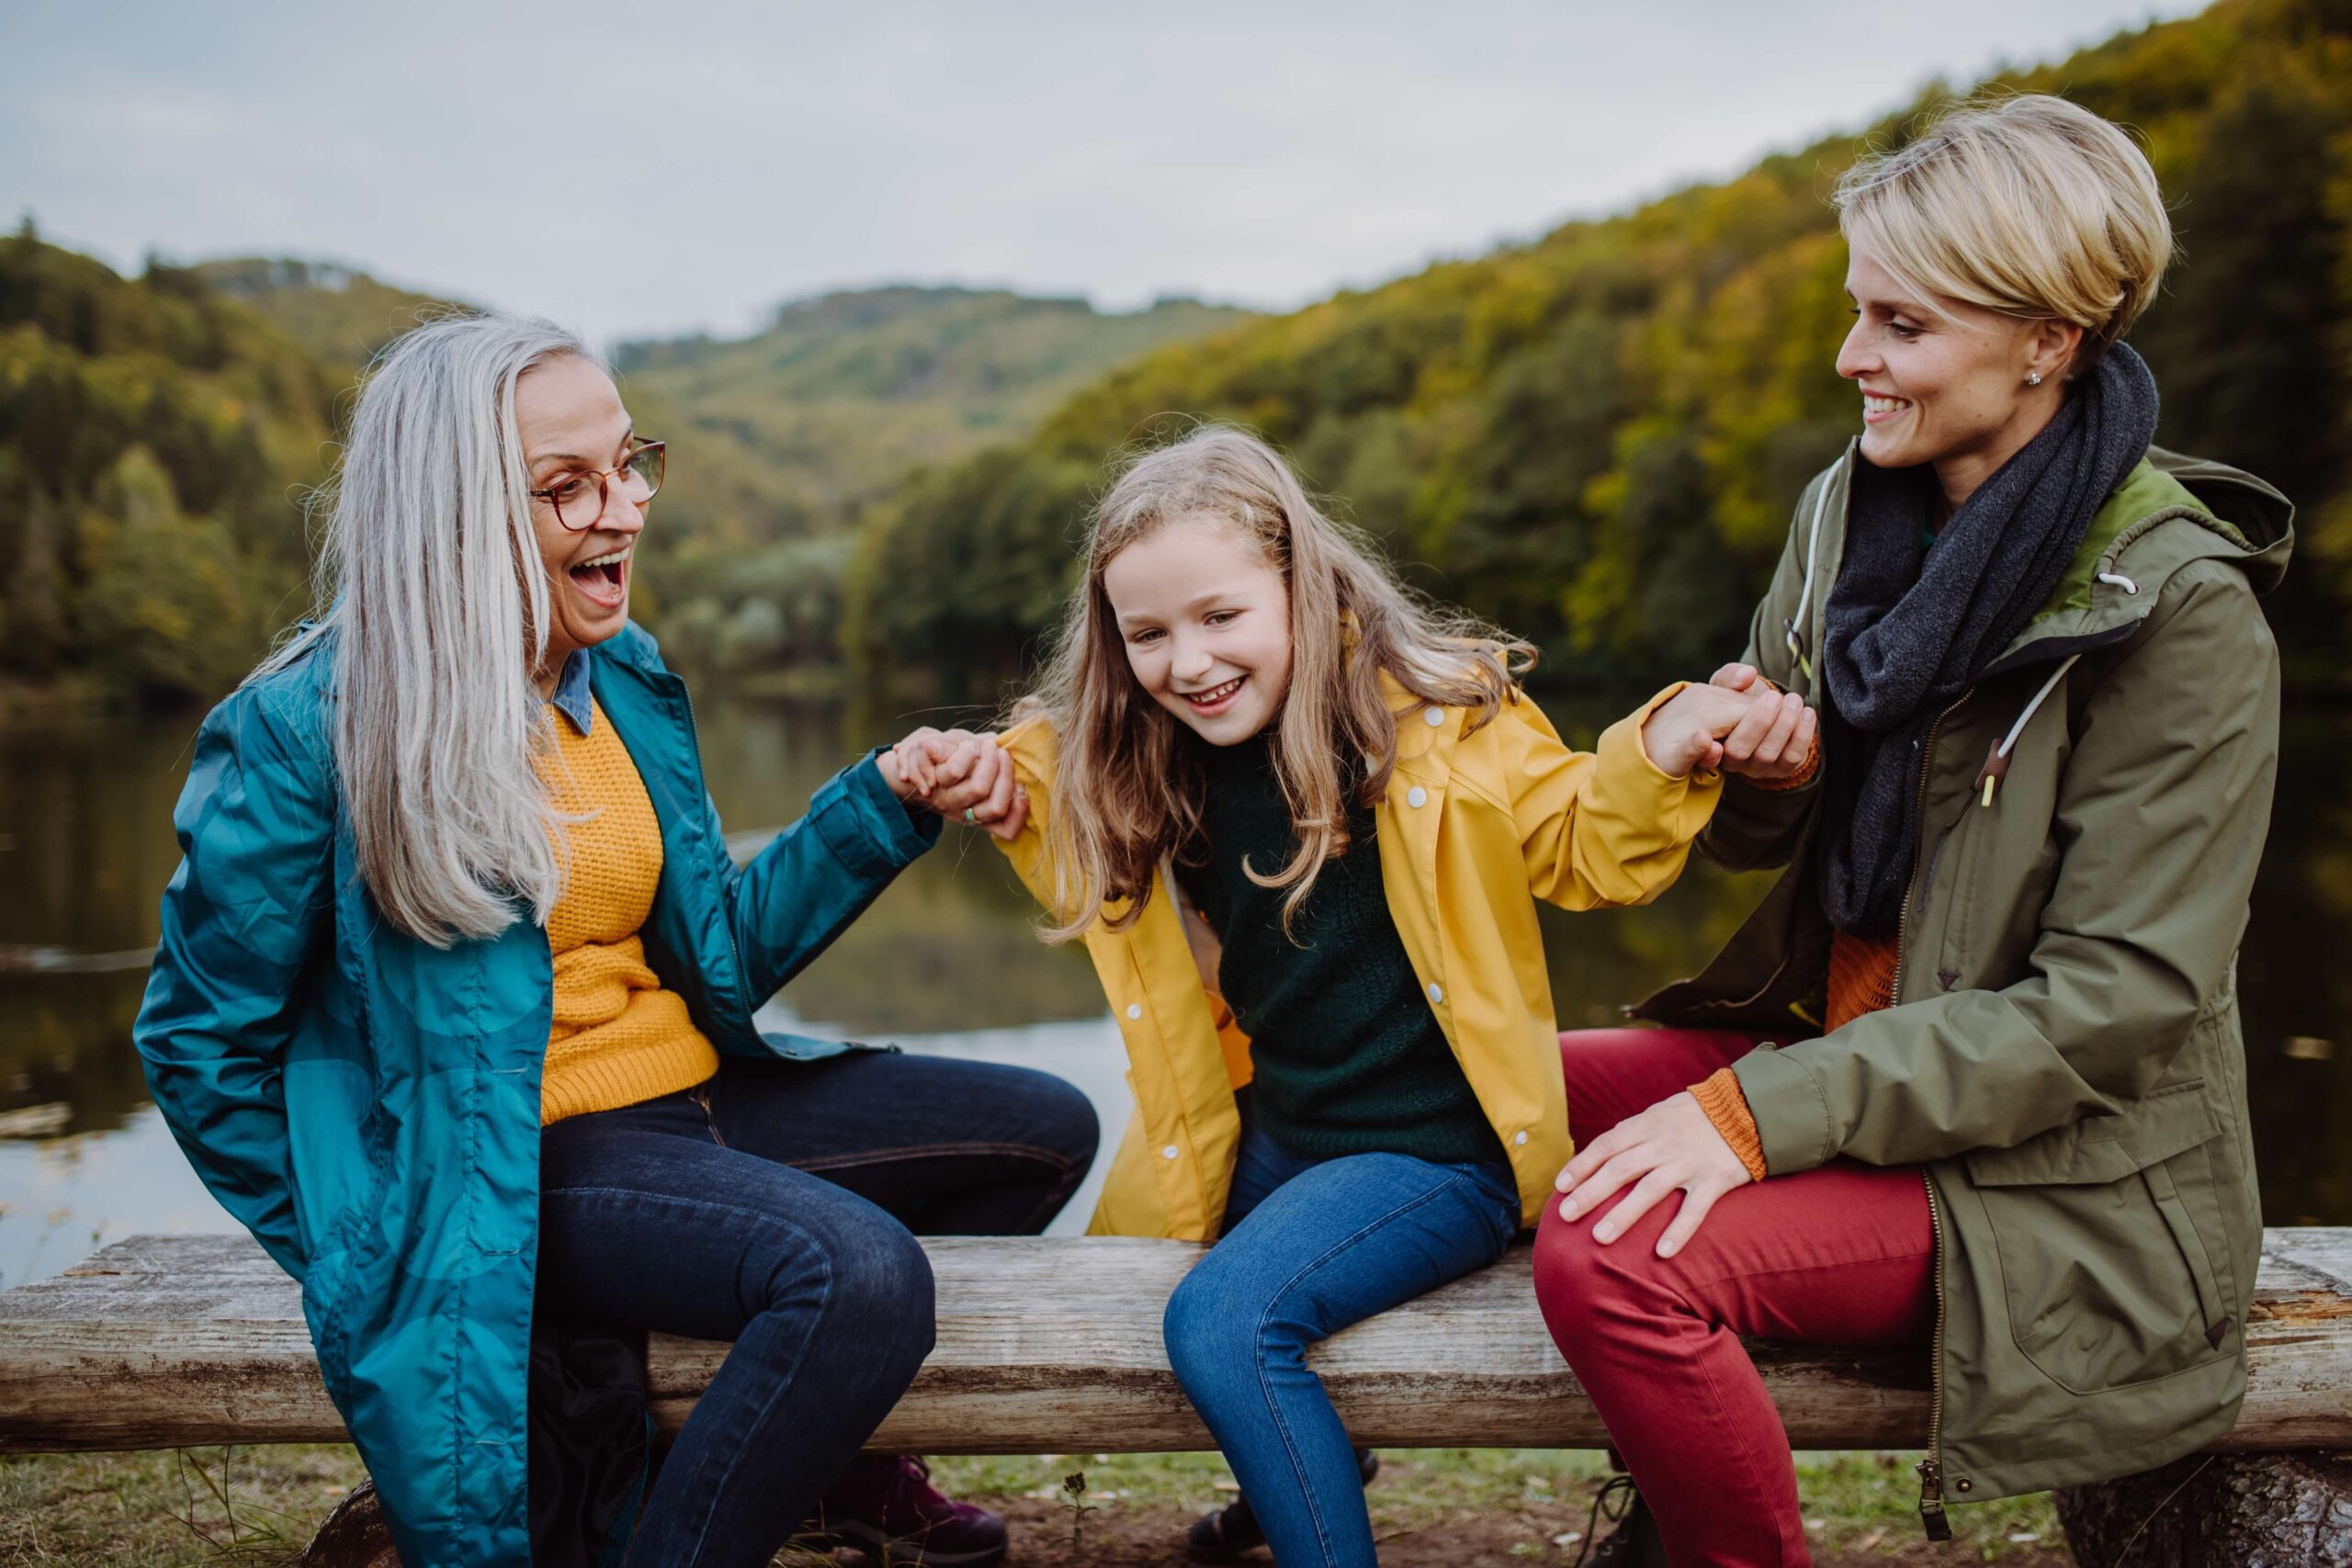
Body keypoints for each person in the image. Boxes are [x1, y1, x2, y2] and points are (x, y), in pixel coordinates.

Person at [133, 314, 1098, 1568]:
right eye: (569, 486)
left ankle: (829, 1463)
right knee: (859, 1276)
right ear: (455, 512)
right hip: (526, 1158)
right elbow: (198, 1041)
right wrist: (369, 1236)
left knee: (1042, 1129)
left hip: (697, 1096)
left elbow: (723, 954)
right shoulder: (313, 720)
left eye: (631, 461)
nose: (627, 507)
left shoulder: (622, 674)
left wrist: (885, 802)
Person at [1531, 94, 2292, 1566]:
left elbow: (2110, 1010)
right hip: (1856, 1056)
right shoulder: (1846, 513)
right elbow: (1769, 851)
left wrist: (1756, 1118)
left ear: (2046, 339)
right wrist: (1762, 764)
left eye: (1900, 323)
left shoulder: (2184, 611)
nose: (1850, 359)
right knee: (1486, 1087)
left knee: (1613, 1256)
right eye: (1852, 310)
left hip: (2059, 1173)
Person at [922, 424, 1792, 1568]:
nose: (1189, 662)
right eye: (1149, 633)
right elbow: (1054, 801)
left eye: (1220, 617)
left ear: (1299, 582)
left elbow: (1580, 840)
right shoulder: (1145, 751)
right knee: (1166, 1274)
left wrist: (1664, 744)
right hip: (1279, 1135)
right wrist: (985, 775)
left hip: (1433, 1154)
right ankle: (1309, 1473)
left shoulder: (1437, 720)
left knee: (1223, 1324)